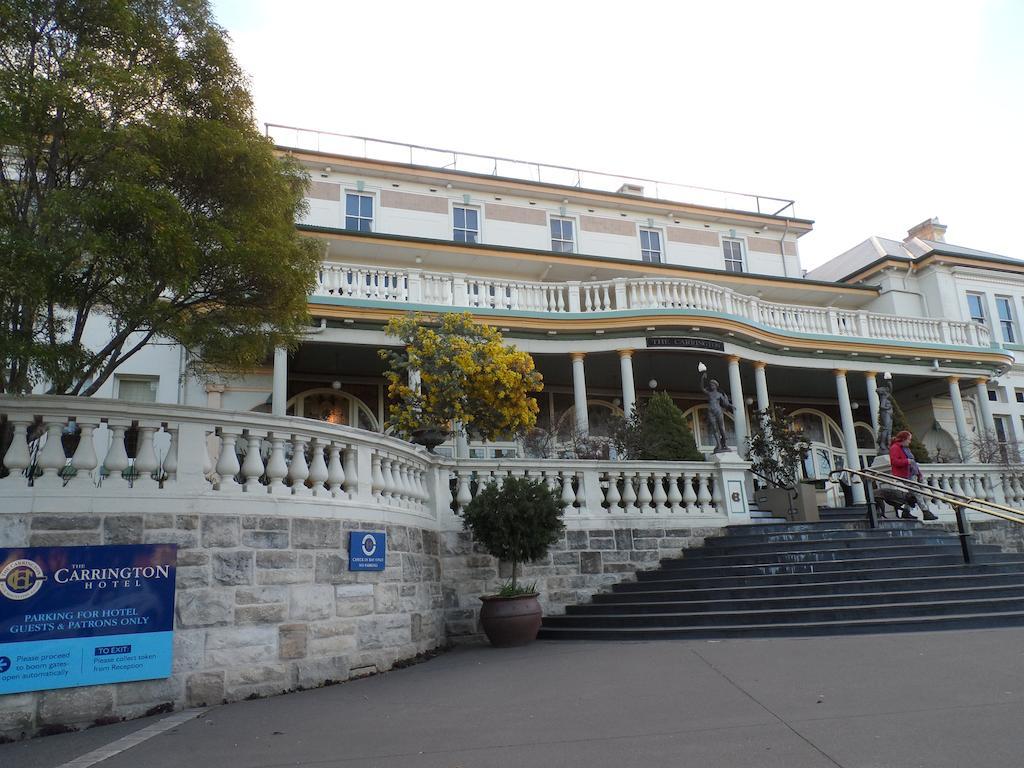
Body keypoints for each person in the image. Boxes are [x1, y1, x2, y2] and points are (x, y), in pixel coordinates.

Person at [887, 430, 938, 521]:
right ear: (903, 439)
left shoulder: (906, 448)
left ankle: (906, 512)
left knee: (912, 494)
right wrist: (906, 461)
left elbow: (913, 462)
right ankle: (925, 511)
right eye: (909, 439)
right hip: (904, 475)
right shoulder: (895, 448)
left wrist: (919, 473)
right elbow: (894, 461)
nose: (910, 441)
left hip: (911, 474)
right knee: (917, 492)